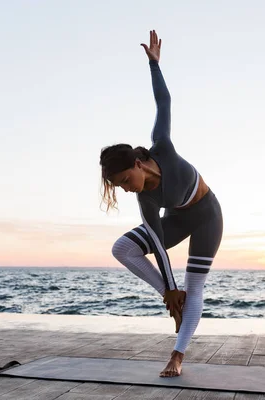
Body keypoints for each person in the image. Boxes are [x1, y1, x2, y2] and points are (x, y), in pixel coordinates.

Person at [99, 30, 223, 377]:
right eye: (118, 186)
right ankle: (171, 297)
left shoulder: (161, 145)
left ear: (137, 164)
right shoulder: (146, 199)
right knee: (122, 248)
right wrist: (168, 290)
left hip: (208, 215)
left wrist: (154, 65)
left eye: (125, 181)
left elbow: (163, 103)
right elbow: (157, 245)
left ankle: (178, 355)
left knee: (194, 284)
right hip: (179, 219)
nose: (125, 189)